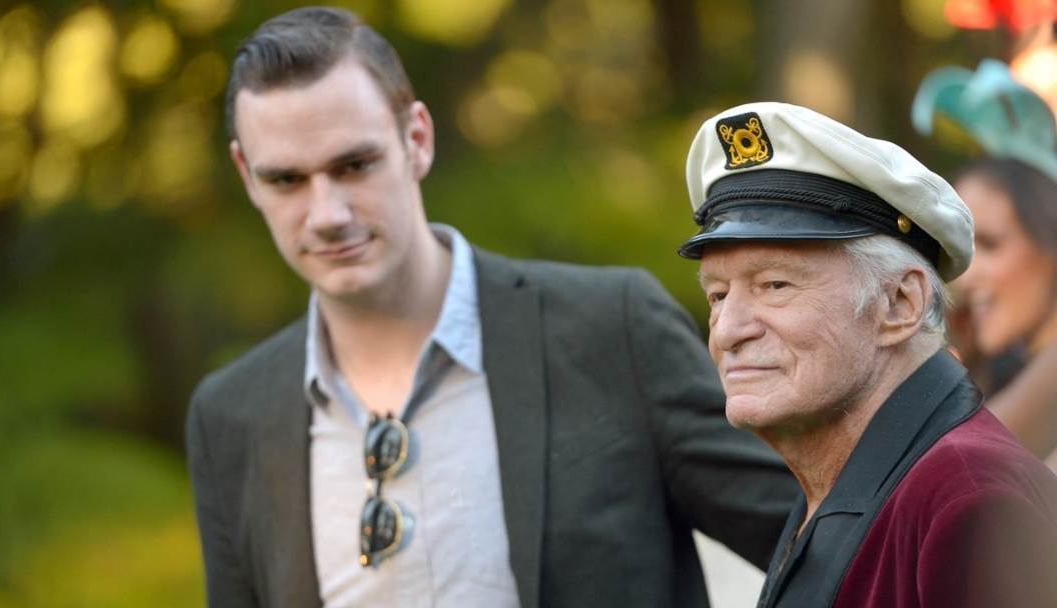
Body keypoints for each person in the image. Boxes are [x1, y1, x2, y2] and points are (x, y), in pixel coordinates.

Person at [185, 7, 798, 608]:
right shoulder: (231, 416)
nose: (327, 214)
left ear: (416, 139)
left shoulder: (610, 329)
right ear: (246, 174)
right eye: (287, 180)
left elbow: (824, 544)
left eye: (354, 165)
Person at [677, 101, 1057, 607]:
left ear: (900, 303)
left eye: (775, 285)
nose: (728, 330)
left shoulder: (971, 499)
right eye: (718, 295)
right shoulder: (868, 475)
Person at [954, 158, 1057, 467]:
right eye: (960, 251)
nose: (965, 278)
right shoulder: (1001, 370)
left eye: (989, 244)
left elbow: (960, 462)